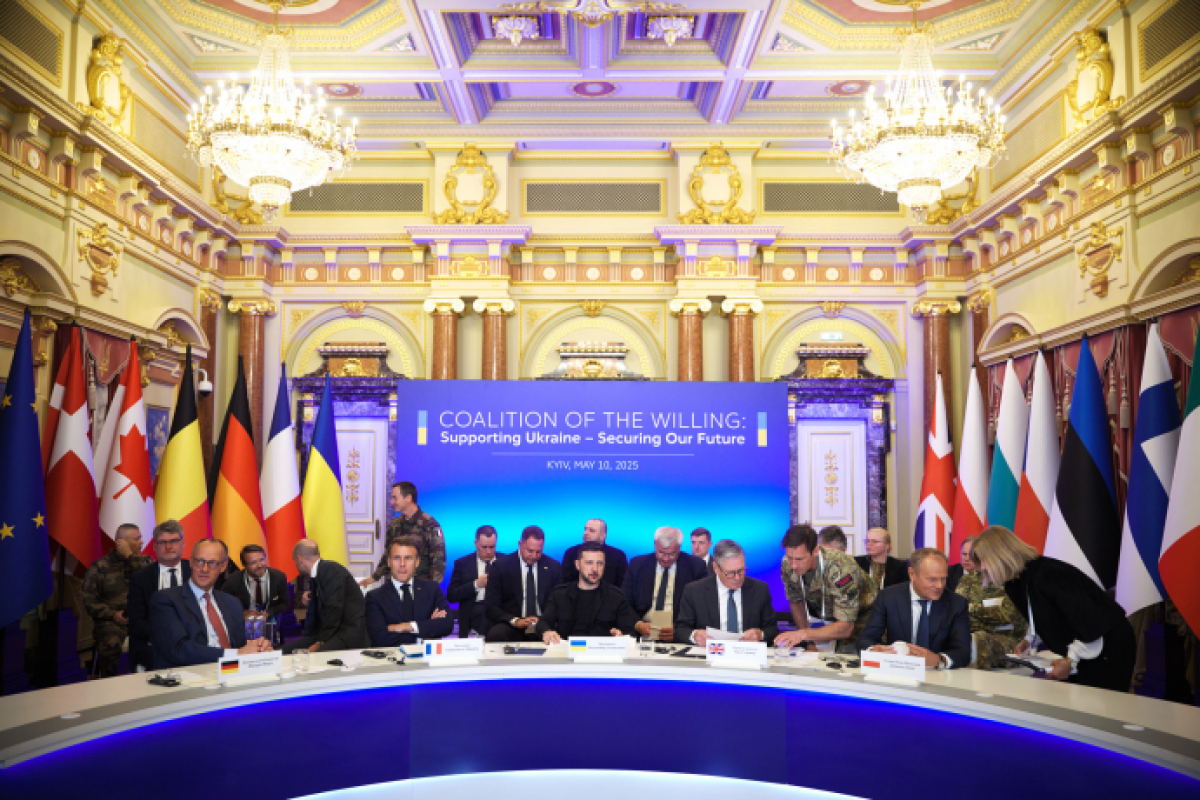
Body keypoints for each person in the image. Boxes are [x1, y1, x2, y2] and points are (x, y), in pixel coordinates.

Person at [972, 526, 1136, 691]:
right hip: (1086, 643)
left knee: (1100, 701)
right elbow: (1044, 614)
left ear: (1001, 554)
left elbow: (1090, 623)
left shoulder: (1049, 573)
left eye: (985, 560)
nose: (983, 568)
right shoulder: (1014, 584)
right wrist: (1029, 639)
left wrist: (1071, 661)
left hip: (1109, 644)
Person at [149, 539, 270, 669]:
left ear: (223, 566)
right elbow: (178, 649)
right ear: (191, 562)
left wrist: (259, 647)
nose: (204, 569)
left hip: (232, 672)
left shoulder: (232, 602)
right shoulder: (165, 600)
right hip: (190, 674)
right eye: (199, 561)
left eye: (212, 563)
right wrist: (236, 654)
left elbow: (241, 645)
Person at [859, 548, 971, 670]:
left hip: (938, 674)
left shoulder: (957, 604)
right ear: (912, 574)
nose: (939, 586)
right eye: (932, 579)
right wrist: (873, 650)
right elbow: (865, 639)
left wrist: (938, 659)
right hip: (898, 671)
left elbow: (963, 653)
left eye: (943, 579)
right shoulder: (888, 597)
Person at [775, 524, 875, 654]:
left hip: (862, 615)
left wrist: (803, 634)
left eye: (800, 559)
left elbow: (846, 628)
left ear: (815, 551)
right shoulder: (787, 564)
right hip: (828, 615)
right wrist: (808, 642)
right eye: (790, 557)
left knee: (846, 657)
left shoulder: (841, 568)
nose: (794, 565)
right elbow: (796, 601)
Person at [675, 539, 778, 646]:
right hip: (710, 653)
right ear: (715, 568)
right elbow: (680, 630)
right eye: (730, 573)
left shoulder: (760, 589)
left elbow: (772, 630)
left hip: (748, 652)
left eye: (741, 570)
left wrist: (760, 635)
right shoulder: (694, 591)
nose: (737, 577)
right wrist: (695, 636)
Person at [81, 524, 152, 677]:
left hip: (142, 620)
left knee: (162, 637)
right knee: (110, 644)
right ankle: (108, 683)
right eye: (137, 539)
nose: (142, 542)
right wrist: (112, 614)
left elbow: (150, 583)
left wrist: (130, 557)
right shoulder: (100, 567)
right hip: (112, 622)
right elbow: (89, 599)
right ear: (122, 542)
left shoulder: (146, 562)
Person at [538, 542, 639, 644]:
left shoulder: (616, 597)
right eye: (589, 563)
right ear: (577, 565)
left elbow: (630, 632)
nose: (595, 569)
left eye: (599, 563)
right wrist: (547, 632)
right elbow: (543, 622)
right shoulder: (560, 594)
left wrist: (621, 636)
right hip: (566, 651)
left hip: (602, 652)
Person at [623, 526, 709, 642]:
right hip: (643, 634)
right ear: (655, 545)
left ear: (679, 548)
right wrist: (638, 624)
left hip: (679, 635)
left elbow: (701, 607)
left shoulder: (696, 566)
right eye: (661, 553)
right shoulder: (637, 564)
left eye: (672, 554)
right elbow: (624, 603)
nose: (666, 559)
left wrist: (679, 630)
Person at [127, 520, 192, 672]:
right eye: (162, 542)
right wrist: (167, 636)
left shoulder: (196, 573)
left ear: (183, 543)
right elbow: (136, 622)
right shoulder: (140, 578)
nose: (168, 547)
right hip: (153, 643)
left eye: (173, 541)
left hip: (192, 641)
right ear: (155, 547)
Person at [954, 536, 1027, 670]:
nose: (979, 563)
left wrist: (972, 609)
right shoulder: (968, 579)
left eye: (982, 558)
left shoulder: (1014, 581)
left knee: (977, 640)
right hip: (971, 635)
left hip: (1009, 641)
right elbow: (957, 610)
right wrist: (986, 614)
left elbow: (1007, 615)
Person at [285, 539, 370, 654]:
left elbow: (334, 609)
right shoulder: (319, 573)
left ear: (299, 559)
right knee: (286, 651)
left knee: (314, 656)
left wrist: (320, 642)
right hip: (328, 631)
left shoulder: (331, 570)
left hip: (346, 633)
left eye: (294, 560)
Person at [366, 537, 453, 647]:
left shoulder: (432, 589)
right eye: (397, 558)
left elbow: (447, 625)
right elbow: (379, 638)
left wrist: (407, 627)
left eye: (408, 558)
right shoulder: (375, 597)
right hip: (391, 657)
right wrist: (424, 634)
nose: (402, 564)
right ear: (389, 562)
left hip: (426, 656)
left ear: (417, 562)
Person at [484, 526, 562, 643]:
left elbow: (558, 603)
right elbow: (491, 606)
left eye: (538, 552)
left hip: (543, 623)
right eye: (530, 551)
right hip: (513, 623)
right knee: (496, 635)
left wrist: (543, 622)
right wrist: (515, 621)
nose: (534, 556)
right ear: (520, 544)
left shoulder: (553, 567)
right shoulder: (500, 566)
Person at [365, 482, 445, 587]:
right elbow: (388, 554)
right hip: (395, 583)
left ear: (408, 498)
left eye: (395, 498)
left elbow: (439, 559)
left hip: (420, 584)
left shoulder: (429, 524)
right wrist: (375, 577)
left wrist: (432, 588)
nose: (392, 502)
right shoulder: (395, 524)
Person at [447, 525, 500, 637]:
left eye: (492, 547)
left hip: (499, 611)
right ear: (476, 543)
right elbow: (451, 596)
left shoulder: (505, 562)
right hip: (473, 611)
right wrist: (476, 585)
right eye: (484, 547)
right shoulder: (462, 564)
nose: (488, 551)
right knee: (481, 612)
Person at [221, 544, 289, 618]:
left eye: (261, 560)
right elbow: (223, 603)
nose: (259, 565)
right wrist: (242, 612)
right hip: (243, 619)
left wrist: (268, 613)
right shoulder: (233, 580)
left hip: (270, 618)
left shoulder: (279, 577)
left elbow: (284, 603)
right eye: (253, 563)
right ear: (244, 565)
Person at [561, 518, 628, 587]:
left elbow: (622, 585)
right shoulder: (570, 553)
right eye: (585, 529)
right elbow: (565, 583)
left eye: (591, 530)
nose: (586, 533)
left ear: (602, 536)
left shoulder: (618, 556)